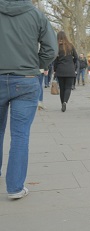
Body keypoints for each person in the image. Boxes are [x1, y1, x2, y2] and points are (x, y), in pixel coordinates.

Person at [0, 0, 57, 199]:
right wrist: (35, 65)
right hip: (25, 79)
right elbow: (51, 49)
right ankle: (15, 187)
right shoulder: (37, 15)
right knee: (20, 135)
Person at [53, 31, 78, 112]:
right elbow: (76, 57)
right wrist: (72, 63)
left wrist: (55, 70)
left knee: (62, 88)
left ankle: (62, 104)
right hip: (70, 70)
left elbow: (55, 61)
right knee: (68, 88)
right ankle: (65, 102)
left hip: (60, 70)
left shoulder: (56, 47)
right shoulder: (70, 46)